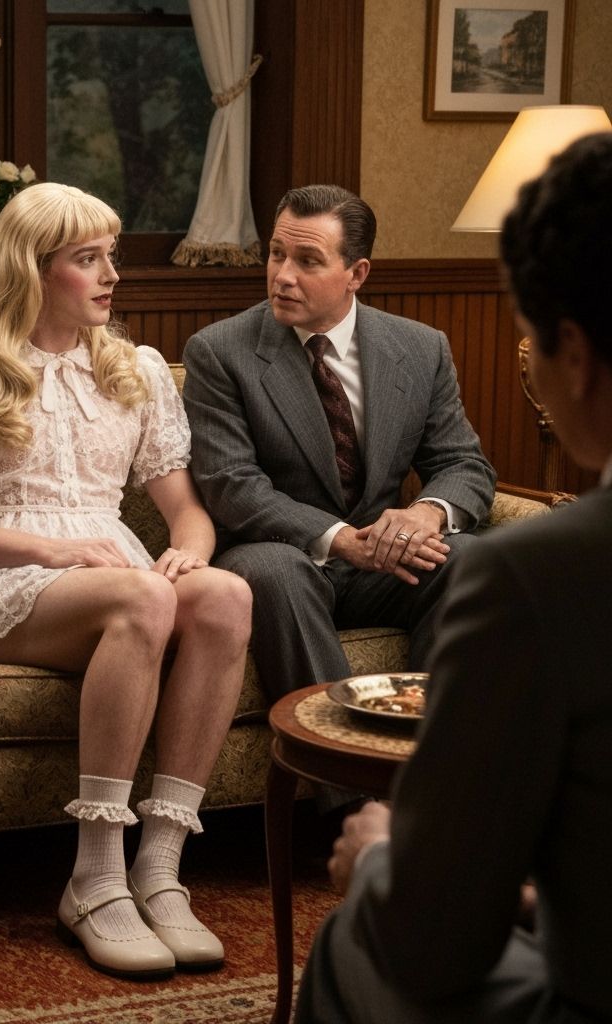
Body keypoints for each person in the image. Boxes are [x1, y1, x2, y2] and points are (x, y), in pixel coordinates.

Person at [0, 182, 252, 980]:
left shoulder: (136, 369)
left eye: (112, 255)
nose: (112, 274)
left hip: (105, 577)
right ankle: (95, 875)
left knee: (224, 594)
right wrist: (51, 553)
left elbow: (187, 512)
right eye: (89, 259)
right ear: (33, 270)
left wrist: (188, 550)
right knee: (143, 593)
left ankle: (159, 865)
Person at [294, 131, 612, 1024]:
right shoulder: (227, 352)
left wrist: (384, 860)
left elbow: (433, 948)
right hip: (300, 561)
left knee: (351, 938)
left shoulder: (541, 578)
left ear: (575, 357)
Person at [182, 184, 497, 701]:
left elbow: (463, 462)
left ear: (357, 274)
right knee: (273, 570)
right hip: (281, 556)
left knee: (463, 559)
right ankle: (342, 775)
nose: (283, 275)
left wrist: (426, 515)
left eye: (308, 260)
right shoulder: (219, 352)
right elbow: (231, 486)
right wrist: (346, 540)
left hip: (381, 568)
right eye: (277, 254)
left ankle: (436, 764)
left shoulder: (420, 348)